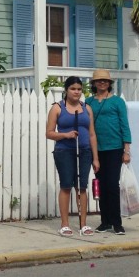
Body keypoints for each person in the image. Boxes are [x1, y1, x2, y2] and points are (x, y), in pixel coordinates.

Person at [46, 75, 99, 236]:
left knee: (82, 186)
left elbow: (92, 134)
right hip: (64, 151)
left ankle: (83, 224)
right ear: (66, 90)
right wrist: (65, 135)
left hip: (84, 151)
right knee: (66, 185)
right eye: (73, 89)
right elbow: (49, 133)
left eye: (79, 89)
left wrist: (95, 158)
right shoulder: (57, 108)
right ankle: (65, 224)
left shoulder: (86, 108)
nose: (76, 92)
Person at [85, 68, 132, 235]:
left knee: (112, 185)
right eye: (99, 81)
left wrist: (127, 150)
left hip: (114, 148)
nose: (102, 83)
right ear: (94, 84)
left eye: (105, 80)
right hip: (96, 150)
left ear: (109, 83)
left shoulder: (117, 102)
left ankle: (117, 222)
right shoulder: (88, 102)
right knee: (101, 185)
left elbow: (125, 125)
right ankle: (105, 221)